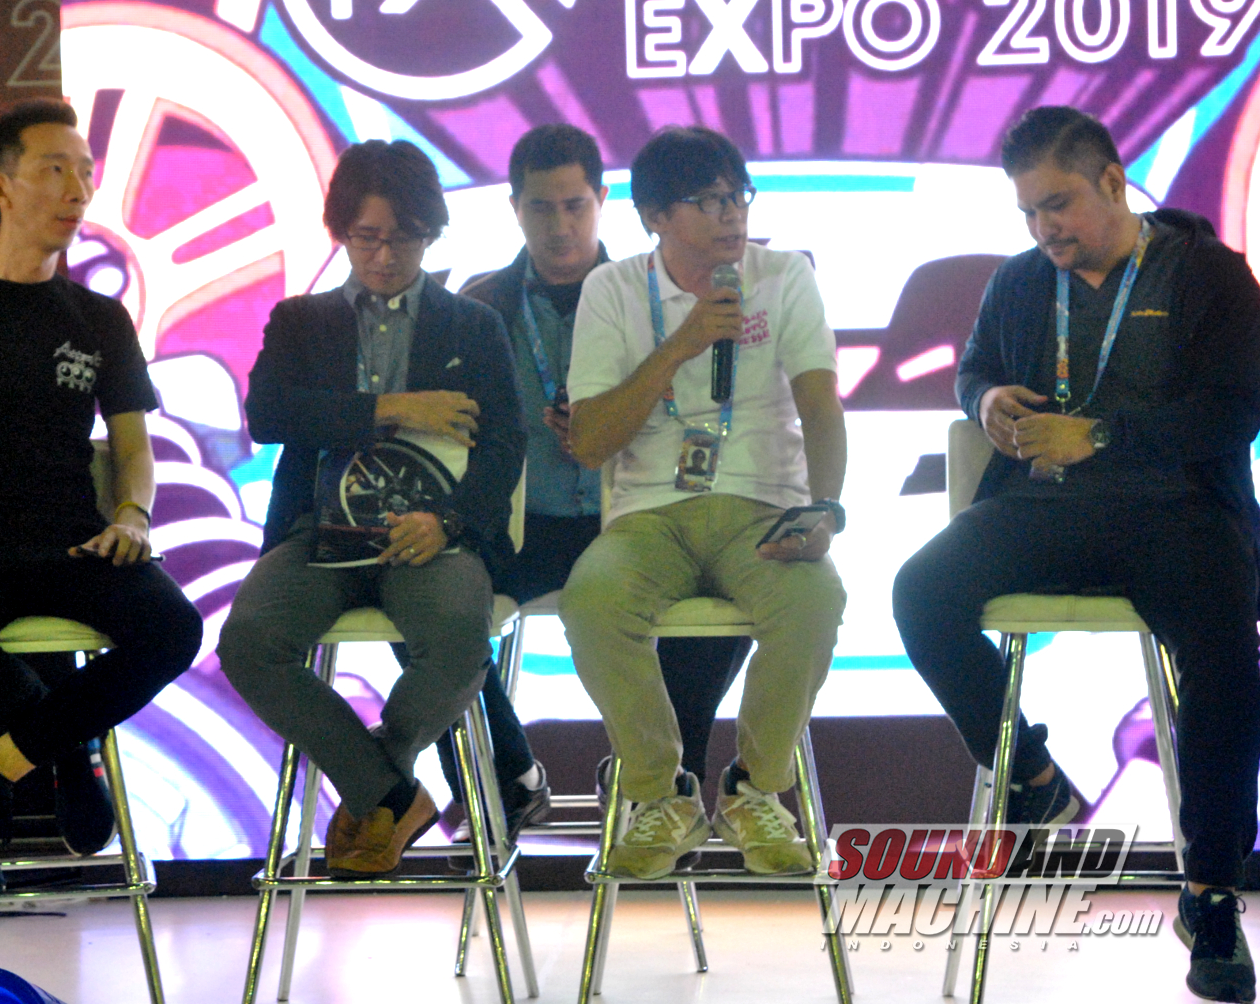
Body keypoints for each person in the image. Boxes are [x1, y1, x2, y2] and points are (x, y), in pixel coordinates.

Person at [891, 106, 1260, 1003]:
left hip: (1177, 510)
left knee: (1224, 656)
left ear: (1112, 180)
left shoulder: (1207, 273)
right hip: (1044, 508)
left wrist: (1098, 435)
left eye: (1057, 205)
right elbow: (974, 368)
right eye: (1028, 212)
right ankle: (1031, 776)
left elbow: (1232, 412)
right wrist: (985, 401)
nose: (1043, 230)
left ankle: (1211, 896)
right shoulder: (1023, 280)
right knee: (919, 592)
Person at [0, 99, 204, 896]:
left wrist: (132, 516)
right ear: (0, 187)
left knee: (173, 628)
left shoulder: (100, 318)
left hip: (74, 543)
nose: (77, 189)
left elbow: (133, 450)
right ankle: (68, 751)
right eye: (55, 170)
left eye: (85, 173)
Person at [218, 140, 524, 877]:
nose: (385, 257)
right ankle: (390, 793)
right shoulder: (301, 320)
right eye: (367, 238)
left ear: (431, 233)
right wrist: (392, 408)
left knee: (460, 640)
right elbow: (269, 414)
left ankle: (379, 783)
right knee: (247, 643)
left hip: (430, 537)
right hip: (317, 532)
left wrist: (447, 522)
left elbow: (506, 446)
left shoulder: (473, 325)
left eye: (403, 239)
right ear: (342, 233)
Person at [445, 124, 751, 836]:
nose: (560, 226)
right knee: (431, 606)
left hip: (632, 519)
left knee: (727, 587)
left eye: (575, 205)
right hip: (523, 528)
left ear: (603, 201)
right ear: (513, 208)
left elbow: (715, 416)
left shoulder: (661, 292)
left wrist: (616, 422)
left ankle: (662, 771)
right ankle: (504, 775)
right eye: (541, 207)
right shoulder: (480, 307)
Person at [559, 126, 848, 879]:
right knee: (591, 601)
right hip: (649, 516)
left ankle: (755, 786)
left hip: (761, 508)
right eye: (708, 200)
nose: (731, 214)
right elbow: (590, 442)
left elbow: (821, 407)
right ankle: (662, 791)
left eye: (738, 196)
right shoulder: (612, 289)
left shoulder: (783, 276)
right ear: (655, 216)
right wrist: (678, 346)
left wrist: (824, 510)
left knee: (816, 599)